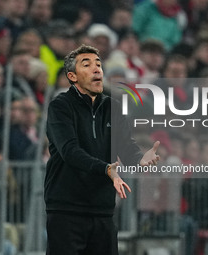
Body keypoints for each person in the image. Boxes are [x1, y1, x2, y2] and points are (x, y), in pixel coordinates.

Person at [45, 44, 160, 255]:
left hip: (103, 210)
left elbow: (126, 148)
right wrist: (105, 168)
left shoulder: (113, 107)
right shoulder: (60, 107)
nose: (97, 69)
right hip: (67, 208)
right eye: (87, 65)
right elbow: (69, 151)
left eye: (98, 64)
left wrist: (140, 159)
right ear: (72, 76)